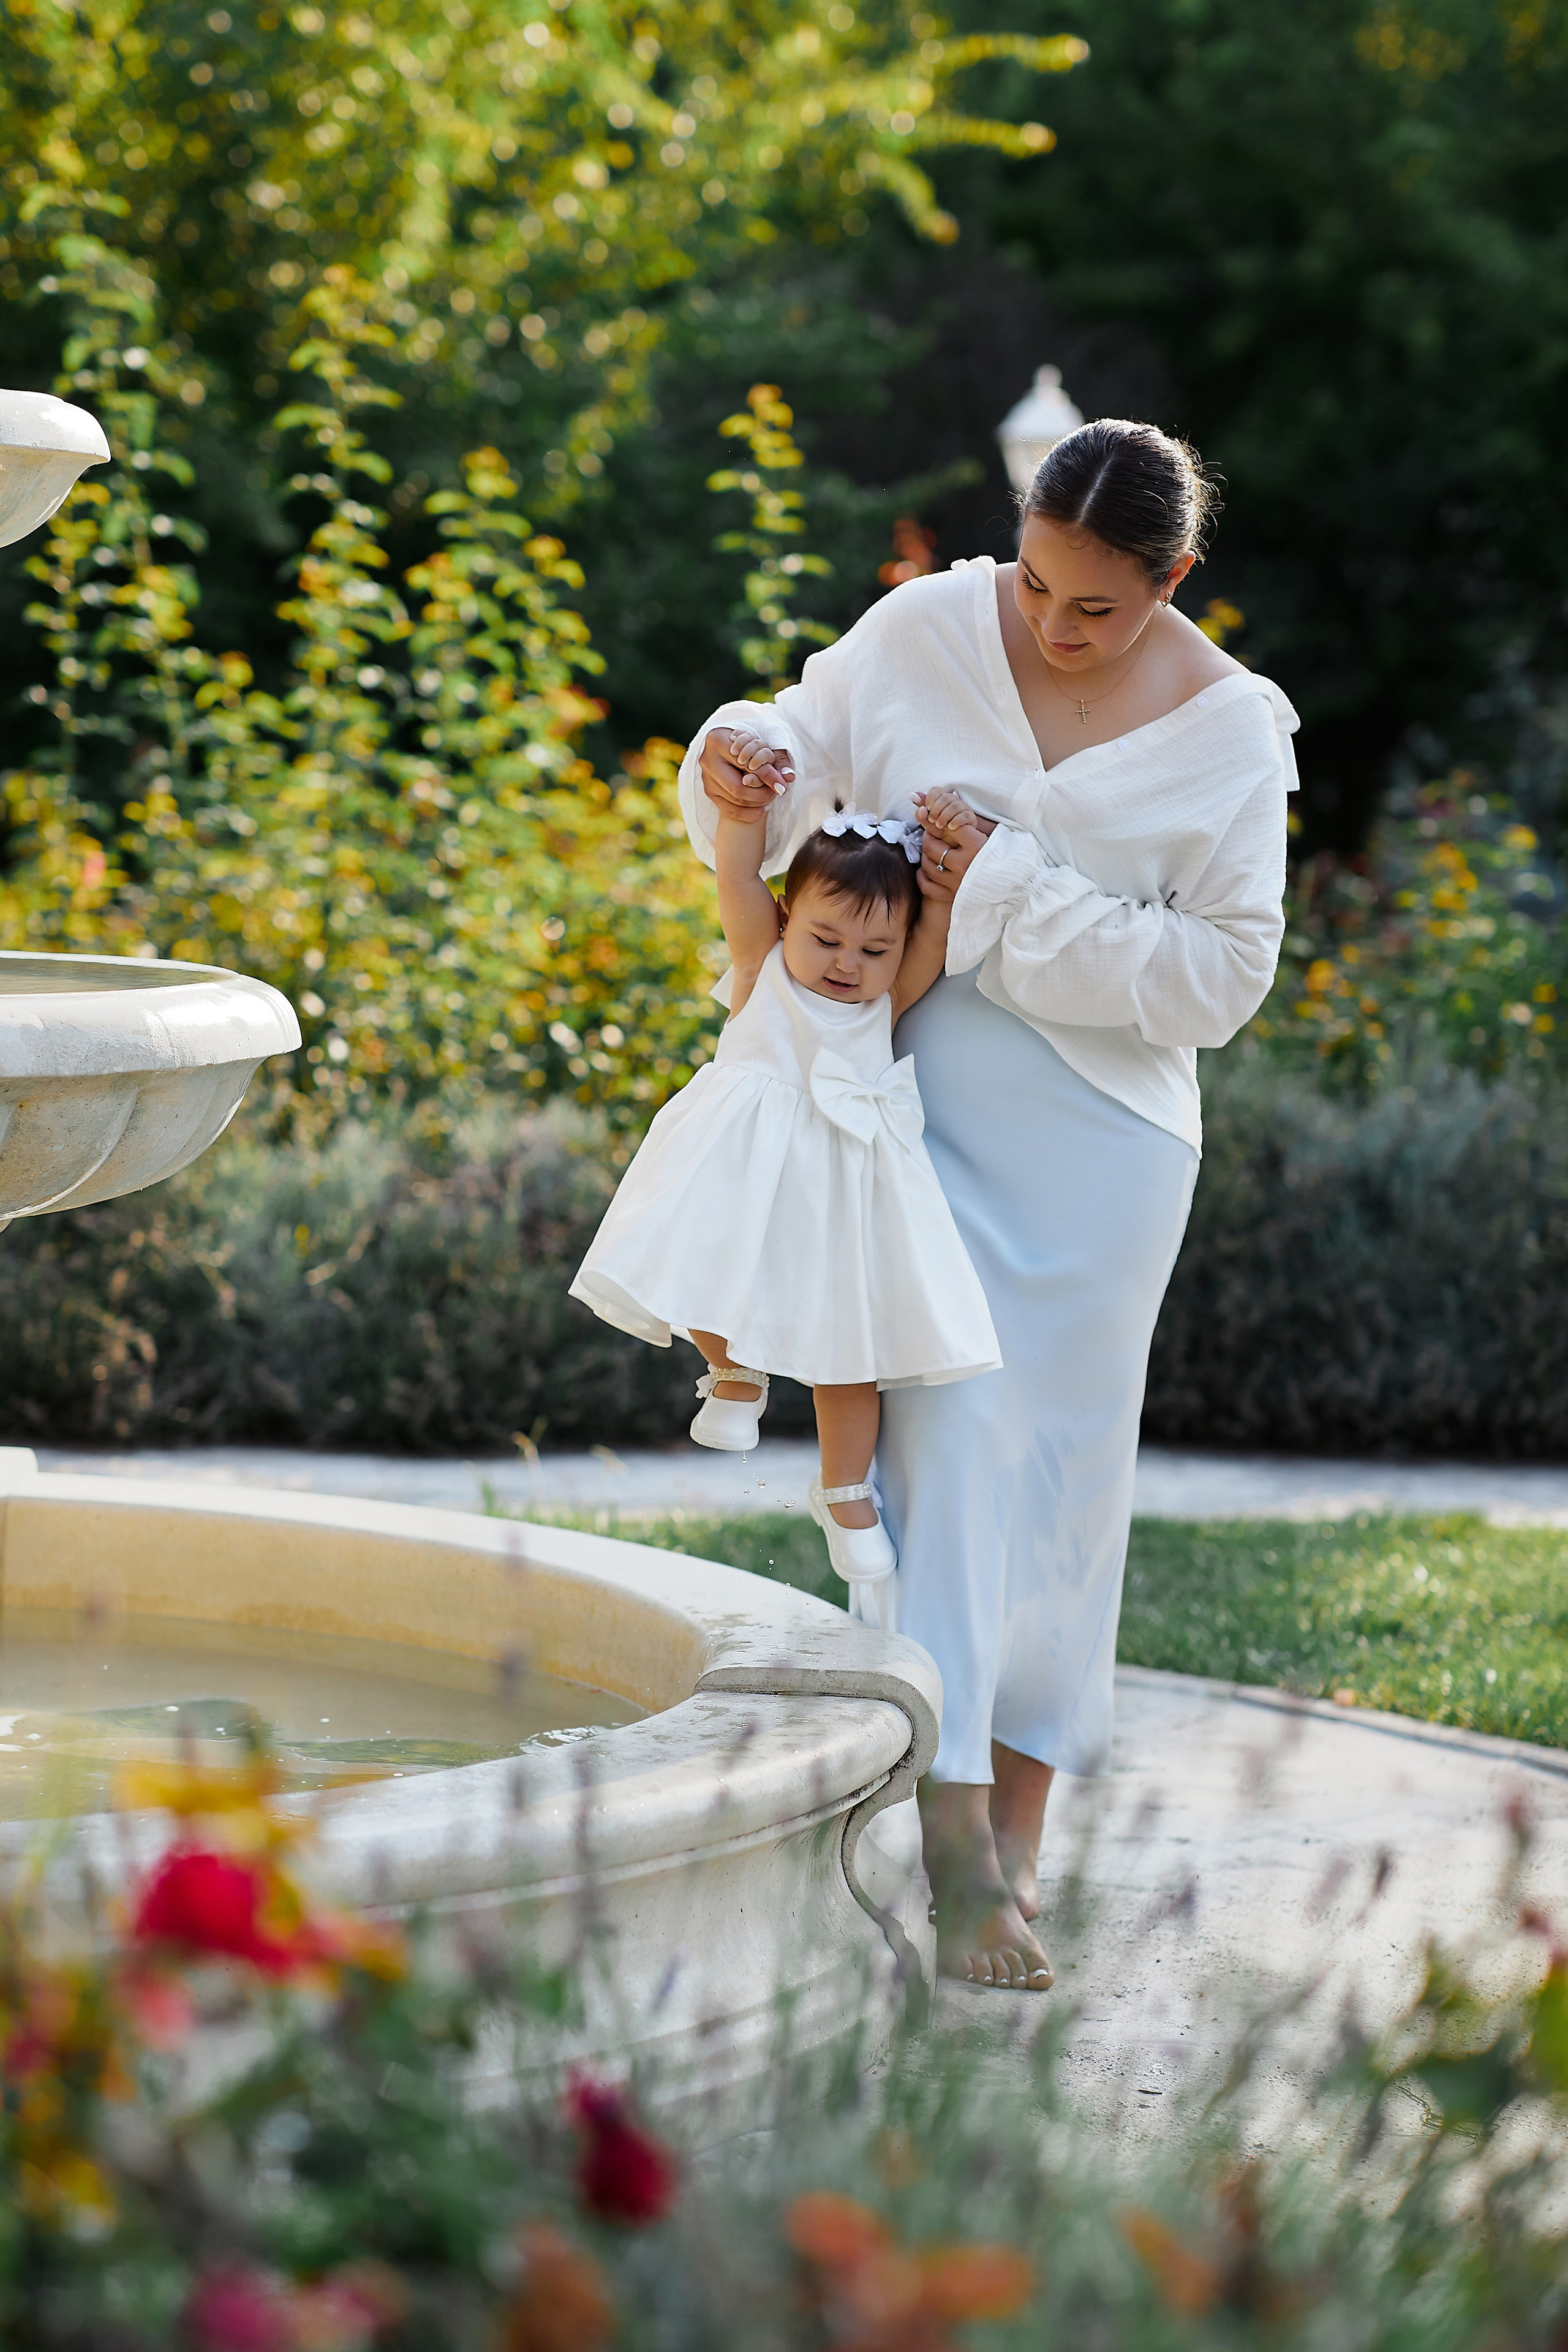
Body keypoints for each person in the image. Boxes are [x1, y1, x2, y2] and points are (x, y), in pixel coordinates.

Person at [678, 418, 1299, 1992]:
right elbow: (800, 753)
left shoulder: (1233, 733)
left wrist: (1005, 887)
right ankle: (951, 1839)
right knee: (948, 1446)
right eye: (1033, 583)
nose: (1050, 624)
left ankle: (1016, 1840)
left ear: (1172, 577)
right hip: (910, 1114)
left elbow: (1220, 982)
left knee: (1065, 1492)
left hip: (1104, 1150)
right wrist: (738, 753)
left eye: (1096, 605)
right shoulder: (923, 627)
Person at [570, 780, 1001, 1623]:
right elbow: (735, 876)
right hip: (743, 1174)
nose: (847, 964)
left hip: (842, 1196)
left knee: (851, 1353)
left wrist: (946, 884)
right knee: (696, 1260)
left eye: (874, 949)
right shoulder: (759, 967)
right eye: (826, 938)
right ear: (785, 917)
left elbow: (935, 933)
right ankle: (732, 1370)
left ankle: (844, 1490)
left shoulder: (887, 1000)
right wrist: (744, 813)